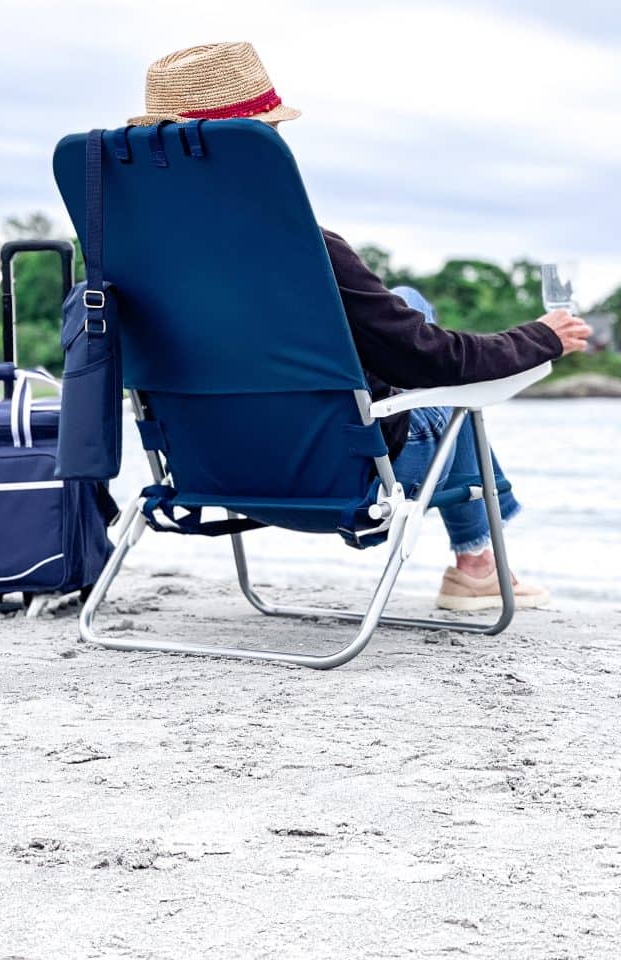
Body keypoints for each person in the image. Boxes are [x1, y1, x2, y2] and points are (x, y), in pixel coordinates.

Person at [127, 42, 593, 611]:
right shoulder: (305, 250)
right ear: (258, 147)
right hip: (331, 473)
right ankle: (478, 563)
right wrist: (542, 337)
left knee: (407, 302)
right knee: (459, 406)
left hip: (208, 469)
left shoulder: (140, 257)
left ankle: (477, 564)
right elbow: (434, 362)